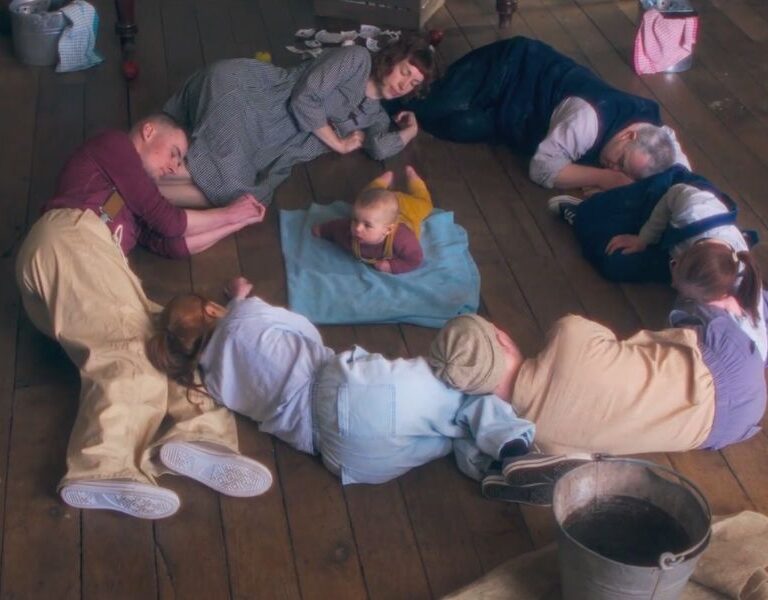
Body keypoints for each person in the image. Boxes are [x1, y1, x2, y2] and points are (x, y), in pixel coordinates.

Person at [15, 114, 272, 520]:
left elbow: (174, 244)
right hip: (69, 241)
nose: (174, 166)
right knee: (127, 350)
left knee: (172, 340)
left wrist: (236, 220)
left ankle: (203, 435)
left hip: (90, 268)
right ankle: (102, 464)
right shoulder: (113, 145)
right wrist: (228, 211)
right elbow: (168, 220)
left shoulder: (134, 208)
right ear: (149, 131)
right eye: (174, 153)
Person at [429, 245, 767, 503]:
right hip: (740, 384)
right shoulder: (568, 335)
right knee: (690, 332)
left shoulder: (540, 434)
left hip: (720, 430)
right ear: (501, 336)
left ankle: (557, 468)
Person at [146, 277, 536, 486]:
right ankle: (512, 443)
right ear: (213, 309)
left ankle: (487, 466)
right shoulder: (242, 314)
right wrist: (240, 299)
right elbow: (305, 331)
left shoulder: (210, 379)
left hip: (345, 460)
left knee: (449, 435)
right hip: (336, 391)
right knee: (455, 398)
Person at [161, 37, 436, 208]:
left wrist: (411, 131)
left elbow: (378, 148)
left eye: (413, 83)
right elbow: (304, 99)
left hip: (271, 142)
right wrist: (338, 144)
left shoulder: (374, 115)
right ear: (392, 59)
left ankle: (142, 194)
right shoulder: (357, 59)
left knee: (242, 198)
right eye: (404, 72)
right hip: (252, 98)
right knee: (221, 170)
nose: (404, 85)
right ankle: (138, 181)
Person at [388, 37, 689, 193]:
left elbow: (681, 172)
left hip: (515, 119)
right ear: (629, 135)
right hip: (509, 67)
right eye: (621, 161)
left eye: (627, 171)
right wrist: (606, 178)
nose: (618, 167)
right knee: (433, 104)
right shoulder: (587, 119)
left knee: (454, 126)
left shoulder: (657, 137)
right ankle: (379, 83)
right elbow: (543, 168)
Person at [550, 164, 750, 282]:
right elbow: (673, 194)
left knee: (614, 263)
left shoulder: (736, 277)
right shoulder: (694, 210)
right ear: (681, 257)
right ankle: (585, 212)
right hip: (669, 197)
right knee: (602, 218)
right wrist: (644, 238)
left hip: (678, 247)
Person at [311, 166, 433, 274]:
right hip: (378, 206)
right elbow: (335, 227)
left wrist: (392, 266)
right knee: (366, 195)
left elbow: (415, 258)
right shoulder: (348, 229)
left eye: (367, 225)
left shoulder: (403, 239)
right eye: (355, 220)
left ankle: (414, 180)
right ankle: (381, 182)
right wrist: (322, 230)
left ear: (388, 229)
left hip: (407, 209)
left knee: (425, 205)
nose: (357, 228)